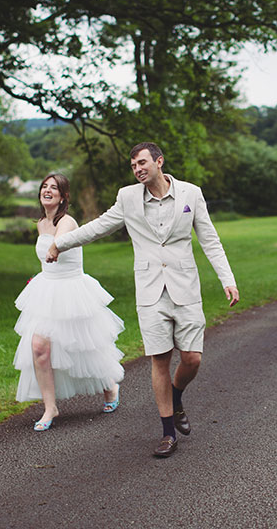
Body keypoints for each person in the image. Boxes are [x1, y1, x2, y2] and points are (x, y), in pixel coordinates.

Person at [47, 142, 239, 457]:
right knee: (160, 359)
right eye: (133, 165)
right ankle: (167, 433)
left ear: (159, 161)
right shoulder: (127, 198)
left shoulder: (191, 194)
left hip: (185, 288)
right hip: (150, 291)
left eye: (142, 163)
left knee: (192, 358)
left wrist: (227, 280)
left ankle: (176, 397)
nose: (137, 169)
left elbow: (210, 239)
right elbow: (98, 228)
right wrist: (61, 243)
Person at [12, 173, 124, 431]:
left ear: (63, 197)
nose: (47, 190)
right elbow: (44, 257)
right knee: (39, 347)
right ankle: (50, 407)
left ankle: (110, 386)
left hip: (73, 291)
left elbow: (59, 242)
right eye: (44, 186)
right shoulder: (41, 223)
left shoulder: (68, 222)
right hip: (47, 290)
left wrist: (55, 248)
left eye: (54, 188)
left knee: (85, 347)